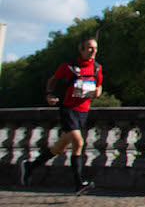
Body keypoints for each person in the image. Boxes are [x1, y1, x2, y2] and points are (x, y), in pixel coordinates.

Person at [19, 37, 102, 194]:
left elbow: (99, 85)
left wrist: (98, 91)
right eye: (89, 48)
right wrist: (49, 94)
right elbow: (53, 80)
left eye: (95, 48)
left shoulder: (97, 68)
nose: (93, 51)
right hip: (68, 110)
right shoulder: (69, 67)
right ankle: (79, 183)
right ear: (81, 49)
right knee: (78, 142)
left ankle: (30, 167)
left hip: (83, 112)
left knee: (59, 147)